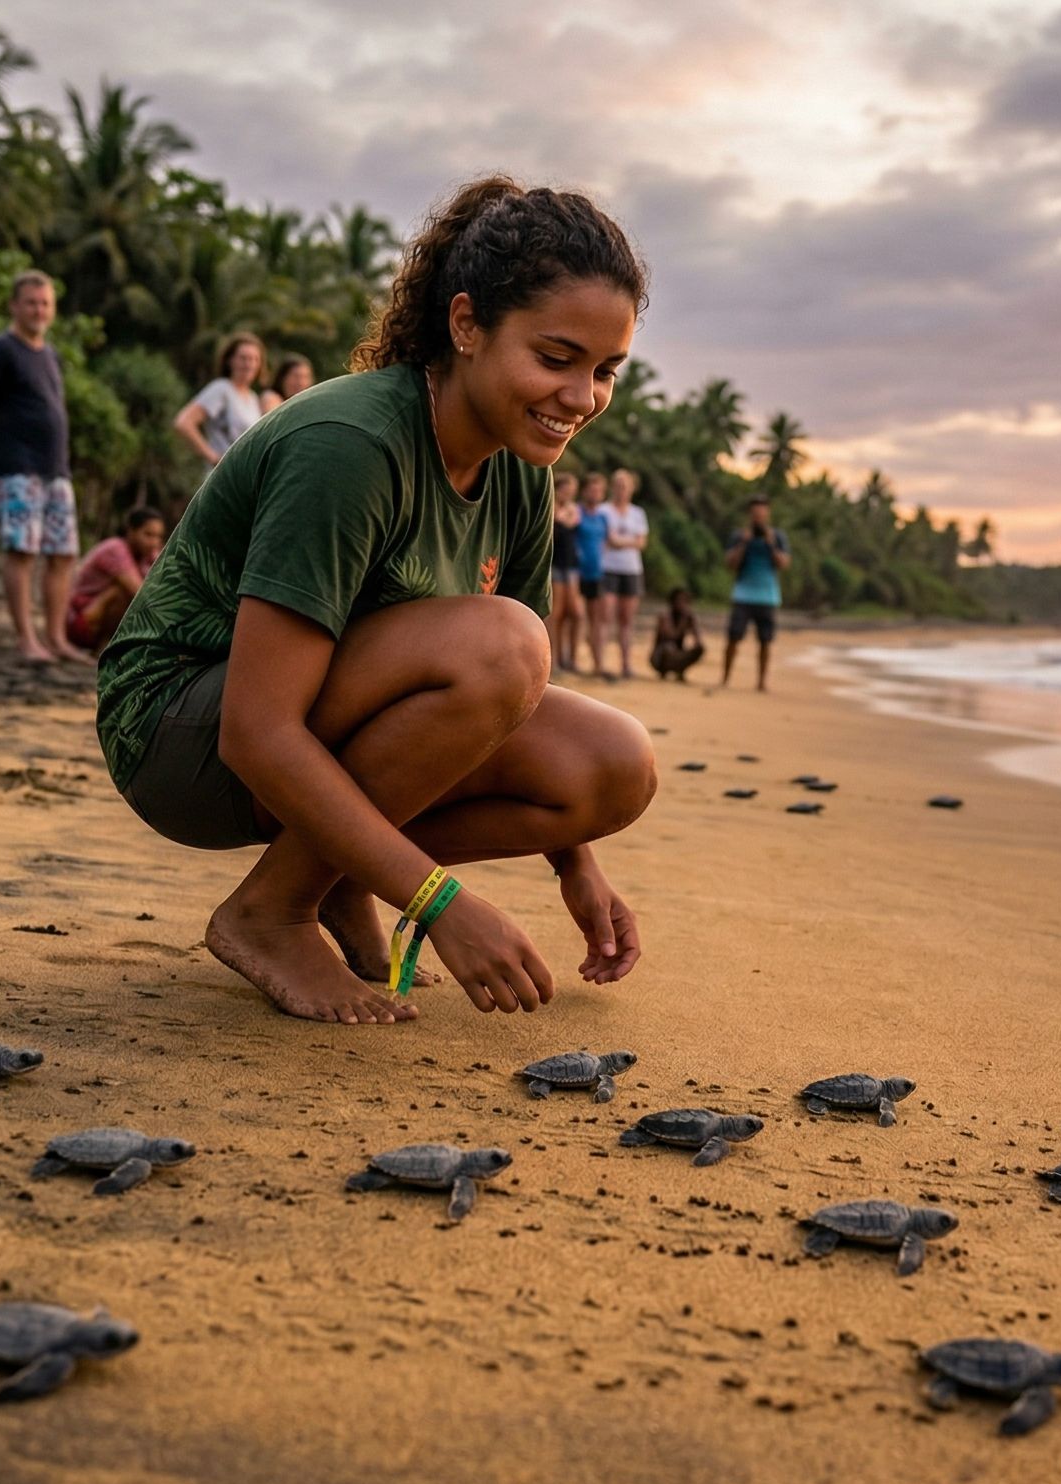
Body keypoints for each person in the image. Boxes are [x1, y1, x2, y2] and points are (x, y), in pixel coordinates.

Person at [94, 175, 656, 1025]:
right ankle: (272, 910)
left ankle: (333, 875)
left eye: (605, 370)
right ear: (466, 325)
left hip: (306, 723)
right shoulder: (350, 445)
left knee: (614, 765)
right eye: (555, 359)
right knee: (503, 646)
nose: (581, 399)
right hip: (179, 731)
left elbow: (515, 707)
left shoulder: (519, 470)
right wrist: (436, 901)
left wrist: (576, 864)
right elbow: (256, 731)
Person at [0, 270, 83, 663]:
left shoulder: (49, 354)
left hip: (55, 469)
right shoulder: (0, 349)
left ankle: (56, 638)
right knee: (23, 551)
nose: (39, 310)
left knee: (63, 554)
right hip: (16, 468)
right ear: (14, 305)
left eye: (45, 303)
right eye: (31, 302)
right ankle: (27, 640)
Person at [66, 507, 167, 653]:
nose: (154, 542)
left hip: (92, 622)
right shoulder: (115, 548)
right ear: (131, 531)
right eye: (148, 534)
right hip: (78, 623)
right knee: (124, 592)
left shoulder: (145, 555)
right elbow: (141, 594)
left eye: (158, 537)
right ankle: (106, 648)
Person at [719, 496, 789, 692]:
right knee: (733, 637)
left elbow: (784, 564)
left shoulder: (777, 536)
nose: (758, 517)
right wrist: (744, 543)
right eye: (755, 514)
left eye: (761, 513)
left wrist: (771, 544)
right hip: (742, 594)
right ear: (750, 514)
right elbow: (730, 564)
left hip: (768, 596)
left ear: (767, 514)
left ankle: (761, 682)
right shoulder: (740, 536)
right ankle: (725, 678)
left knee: (765, 641)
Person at [174, 332, 266, 465]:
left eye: (254, 359)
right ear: (230, 360)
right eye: (243, 358)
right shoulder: (222, 389)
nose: (248, 364)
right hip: (224, 474)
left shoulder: (253, 398)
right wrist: (214, 458)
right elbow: (183, 423)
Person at [598, 468, 649, 679]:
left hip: (631, 570)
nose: (621, 490)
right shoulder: (603, 510)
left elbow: (641, 542)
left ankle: (626, 664)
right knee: (605, 616)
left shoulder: (638, 513)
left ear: (632, 489)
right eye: (618, 486)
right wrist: (629, 542)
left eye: (625, 486)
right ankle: (600, 664)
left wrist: (619, 541)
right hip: (607, 568)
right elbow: (609, 539)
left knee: (627, 619)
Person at [571, 471, 610, 678]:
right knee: (577, 616)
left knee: (596, 619)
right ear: (584, 491)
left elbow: (605, 542)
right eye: (591, 490)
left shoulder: (603, 517)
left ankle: (597, 663)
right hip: (577, 572)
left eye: (598, 490)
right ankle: (572, 659)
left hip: (596, 572)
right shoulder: (576, 512)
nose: (595, 494)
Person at [548, 471, 586, 673]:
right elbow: (559, 523)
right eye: (565, 490)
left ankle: (571, 658)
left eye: (572, 491)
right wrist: (561, 515)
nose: (569, 494)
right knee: (556, 613)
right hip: (555, 562)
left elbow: (572, 522)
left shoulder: (572, 509)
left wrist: (564, 515)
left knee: (576, 613)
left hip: (571, 564)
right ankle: (554, 659)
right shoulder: (550, 506)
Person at [648, 587, 704, 681]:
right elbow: (670, 636)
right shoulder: (665, 616)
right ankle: (664, 670)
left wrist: (693, 624)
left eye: (684, 601)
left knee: (700, 649)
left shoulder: (688, 617)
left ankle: (680, 670)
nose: (681, 604)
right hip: (661, 656)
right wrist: (683, 622)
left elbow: (698, 641)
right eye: (679, 600)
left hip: (677, 652)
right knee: (669, 647)